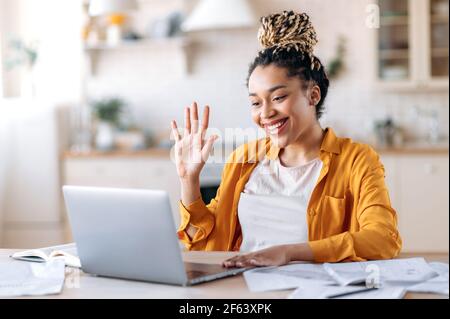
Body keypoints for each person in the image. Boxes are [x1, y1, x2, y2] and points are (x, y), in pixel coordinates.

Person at [170, 10, 402, 268]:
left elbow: (383, 240)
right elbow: (205, 246)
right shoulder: (244, 159)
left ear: (313, 96)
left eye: (278, 97)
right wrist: (189, 181)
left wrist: (290, 252)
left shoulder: (357, 160)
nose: (266, 113)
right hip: (241, 288)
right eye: (256, 102)